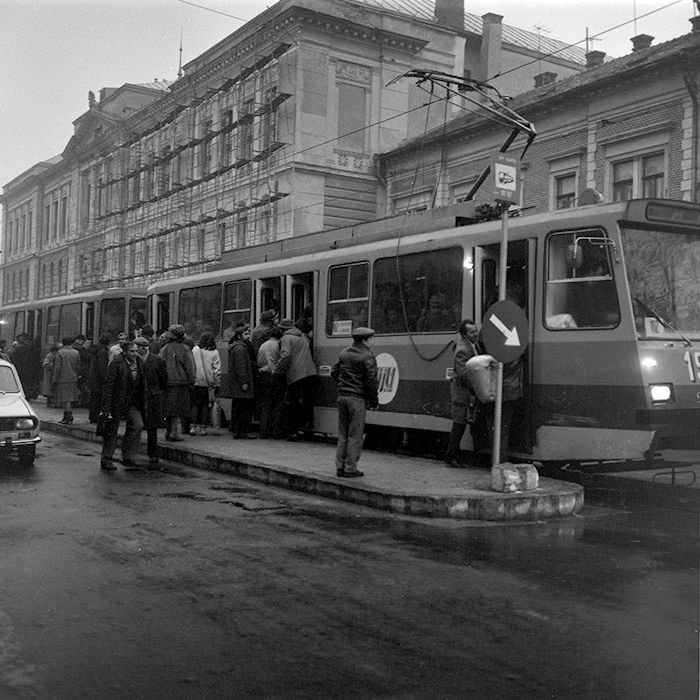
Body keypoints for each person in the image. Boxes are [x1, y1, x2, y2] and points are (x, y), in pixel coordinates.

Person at [331, 327, 378, 478]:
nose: (373, 341)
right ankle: (350, 468)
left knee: (343, 433)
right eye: (371, 339)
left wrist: (343, 384)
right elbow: (371, 382)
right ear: (365, 340)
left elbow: (334, 371)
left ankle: (340, 466)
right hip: (357, 398)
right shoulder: (367, 356)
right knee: (355, 435)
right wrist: (373, 400)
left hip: (342, 396)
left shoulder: (344, 352)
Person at [99, 340, 146, 470]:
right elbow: (109, 385)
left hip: (133, 401)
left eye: (136, 351)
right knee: (112, 430)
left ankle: (129, 456)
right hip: (117, 401)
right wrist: (106, 407)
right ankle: (106, 458)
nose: (135, 353)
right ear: (124, 352)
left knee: (137, 425)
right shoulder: (117, 363)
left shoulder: (139, 362)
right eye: (132, 351)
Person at [444, 319, 480, 468]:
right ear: (464, 334)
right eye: (472, 332)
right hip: (462, 393)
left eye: (475, 330)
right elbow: (463, 373)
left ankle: (454, 456)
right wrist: (479, 385)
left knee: (461, 424)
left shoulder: (470, 345)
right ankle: (451, 456)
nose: (475, 334)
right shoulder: (462, 350)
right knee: (459, 425)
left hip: (465, 393)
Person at [277, 317, 317, 441]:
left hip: (295, 374)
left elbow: (286, 355)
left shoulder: (286, 338)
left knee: (293, 403)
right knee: (307, 402)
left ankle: (293, 431)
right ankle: (308, 427)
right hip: (310, 372)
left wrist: (279, 368)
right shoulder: (303, 336)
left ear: (282, 329)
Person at [134, 336, 168, 468]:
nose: (136, 352)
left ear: (144, 348)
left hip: (153, 397)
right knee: (136, 426)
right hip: (137, 398)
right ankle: (131, 452)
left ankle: (153, 453)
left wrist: (157, 391)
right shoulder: (133, 360)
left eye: (138, 349)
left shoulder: (157, 361)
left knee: (152, 428)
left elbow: (163, 380)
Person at [160, 324, 195, 442]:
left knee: (169, 409)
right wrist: (191, 380)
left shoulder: (164, 349)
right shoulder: (184, 349)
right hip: (181, 382)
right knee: (177, 409)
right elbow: (190, 367)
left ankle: (168, 431)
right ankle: (174, 432)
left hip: (167, 382)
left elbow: (160, 365)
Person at [227, 323, 257, 439]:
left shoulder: (236, 347)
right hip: (241, 384)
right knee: (244, 408)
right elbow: (241, 367)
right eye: (246, 334)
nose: (248, 336)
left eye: (248, 333)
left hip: (237, 384)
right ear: (239, 336)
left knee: (239, 407)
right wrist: (244, 382)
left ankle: (238, 430)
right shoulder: (240, 349)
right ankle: (243, 431)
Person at [190, 331, 221, 436]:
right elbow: (217, 370)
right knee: (204, 406)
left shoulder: (195, 350)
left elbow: (191, 365)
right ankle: (203, 428)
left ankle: (193, 427)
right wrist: (217, 383)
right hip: (208, 384)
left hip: (196, 381)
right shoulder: (214, 352)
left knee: (194, 405)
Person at [256, 325, 284, 439]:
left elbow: (259, 361)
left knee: (266, 405)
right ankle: (276, 431)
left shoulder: (263, 345)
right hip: (276, 376)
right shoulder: (279, 345)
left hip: (264, 375)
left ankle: (263, 431)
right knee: (277, 404)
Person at [52, 337, 81, 424]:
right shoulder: (76, 352)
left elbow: (57, 368)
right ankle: (68, 416)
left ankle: (68, 416)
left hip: (63, 378)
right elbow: (78, 366)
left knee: (66, 399)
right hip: (73, 378)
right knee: (70, 398)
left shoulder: (60, 353)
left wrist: (54, 379)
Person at [87, 333, 111, 423]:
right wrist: (105, 378)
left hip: (93, 377)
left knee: (94, 398)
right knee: (98, 398)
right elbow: (102, 367)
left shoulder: (95, 350)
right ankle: (95, 416)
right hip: (98, 379)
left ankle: (92, 416)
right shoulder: (102, 352)